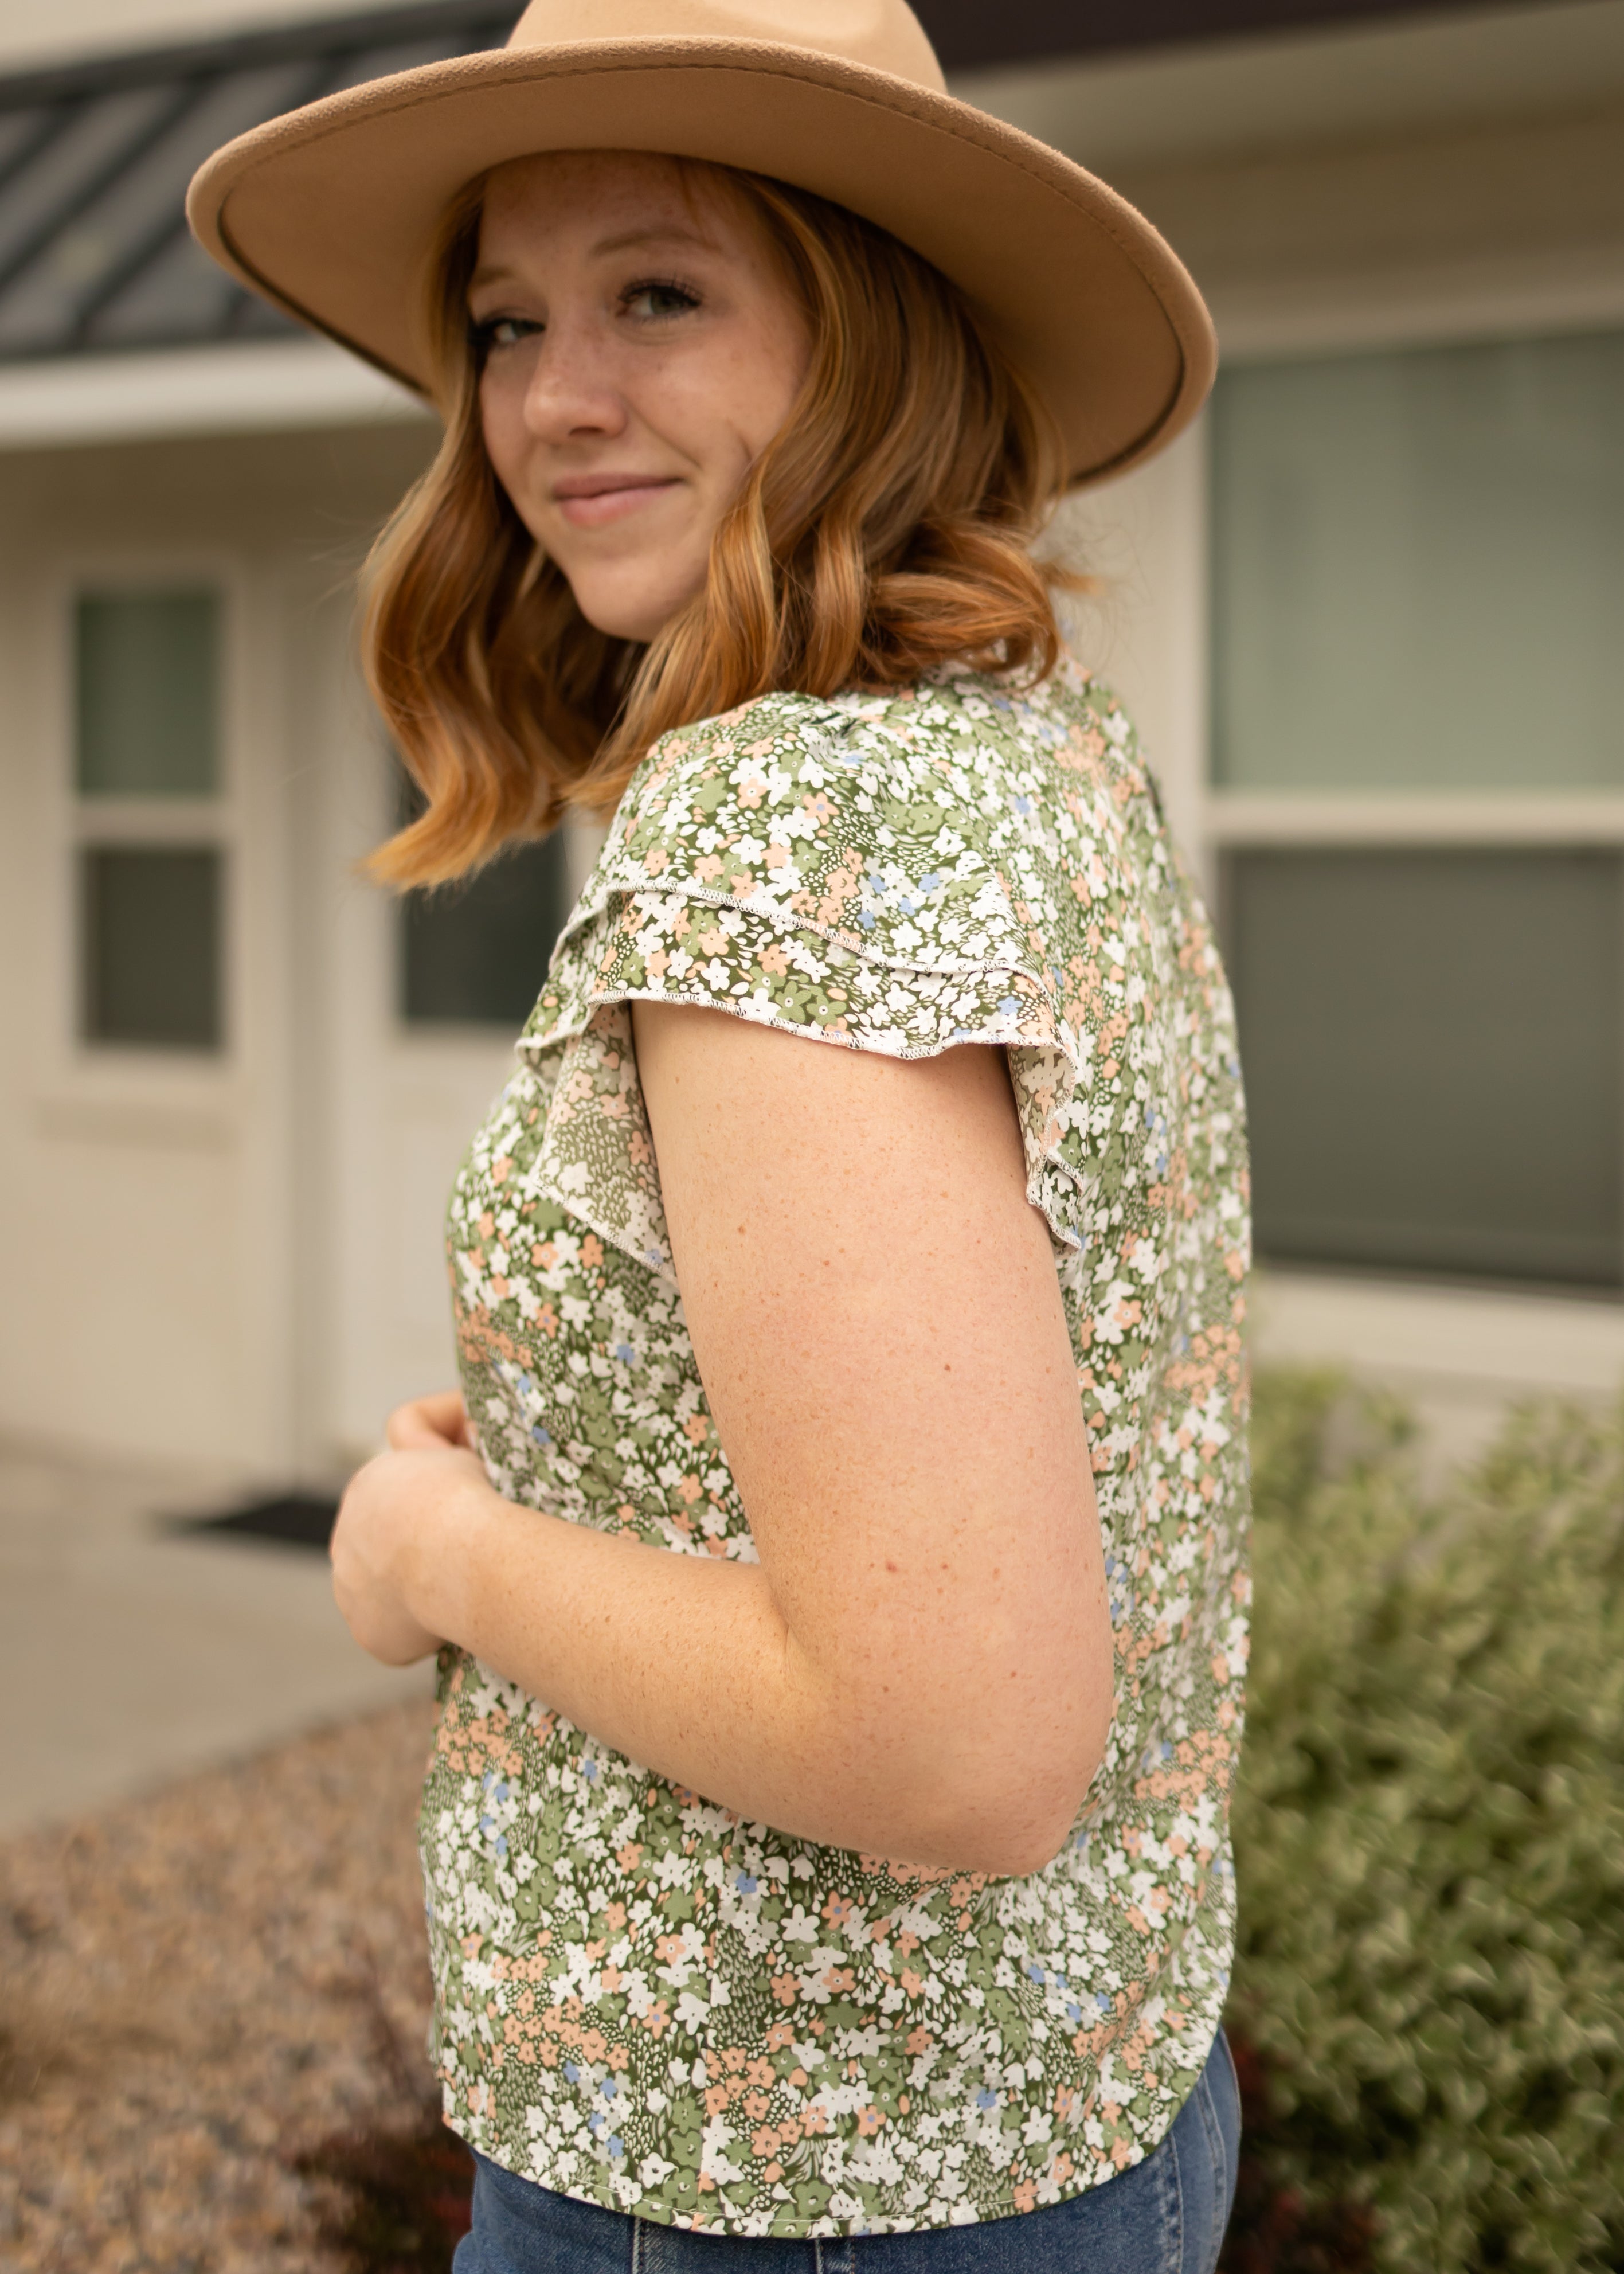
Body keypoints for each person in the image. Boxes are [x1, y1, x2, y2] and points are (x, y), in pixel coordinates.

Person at [189, 5, 1249, 2267]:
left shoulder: (792, 816)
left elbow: (947, 1738)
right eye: (504, 322)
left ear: (870, 336)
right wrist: (611, 1453)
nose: (552, 401)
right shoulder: (1013, 746)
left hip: (780, 2188)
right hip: (1044, 2105)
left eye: (656, 294)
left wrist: (434, 1548)